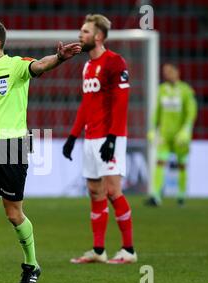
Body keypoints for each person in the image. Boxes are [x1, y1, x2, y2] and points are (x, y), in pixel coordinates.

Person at [0, 20, 82, 283]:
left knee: (13, 214)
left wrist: (58, 57)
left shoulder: (15, 66)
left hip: (12, 147)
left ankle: (31, 264)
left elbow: (39, 65)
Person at [62, 14, 137, 264]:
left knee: (113, 190)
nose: (80, 35)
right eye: (80, 31)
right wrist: (73, 136)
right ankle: (98, 250)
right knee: (95, 191)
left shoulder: (115, 62)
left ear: (98, 36)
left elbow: (121, 103)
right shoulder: (87, 66)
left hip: (109, 136)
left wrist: (113, 138)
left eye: (84, 31)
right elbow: (87, 103)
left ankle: (128, 250)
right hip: (91, 137)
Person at [145, 63, 198, 207]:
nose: (166, 74)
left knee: (182, 165)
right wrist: (152, 130)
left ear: (177, 71)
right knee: (160, 162)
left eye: (169, 71)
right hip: (164, 135)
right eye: (164, 72)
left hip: (181, 136)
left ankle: (181, 196)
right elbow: (157, 112)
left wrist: (186, 130)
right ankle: (156, 195)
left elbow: (191, 112)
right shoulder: (161, 90)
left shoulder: (186, 90)